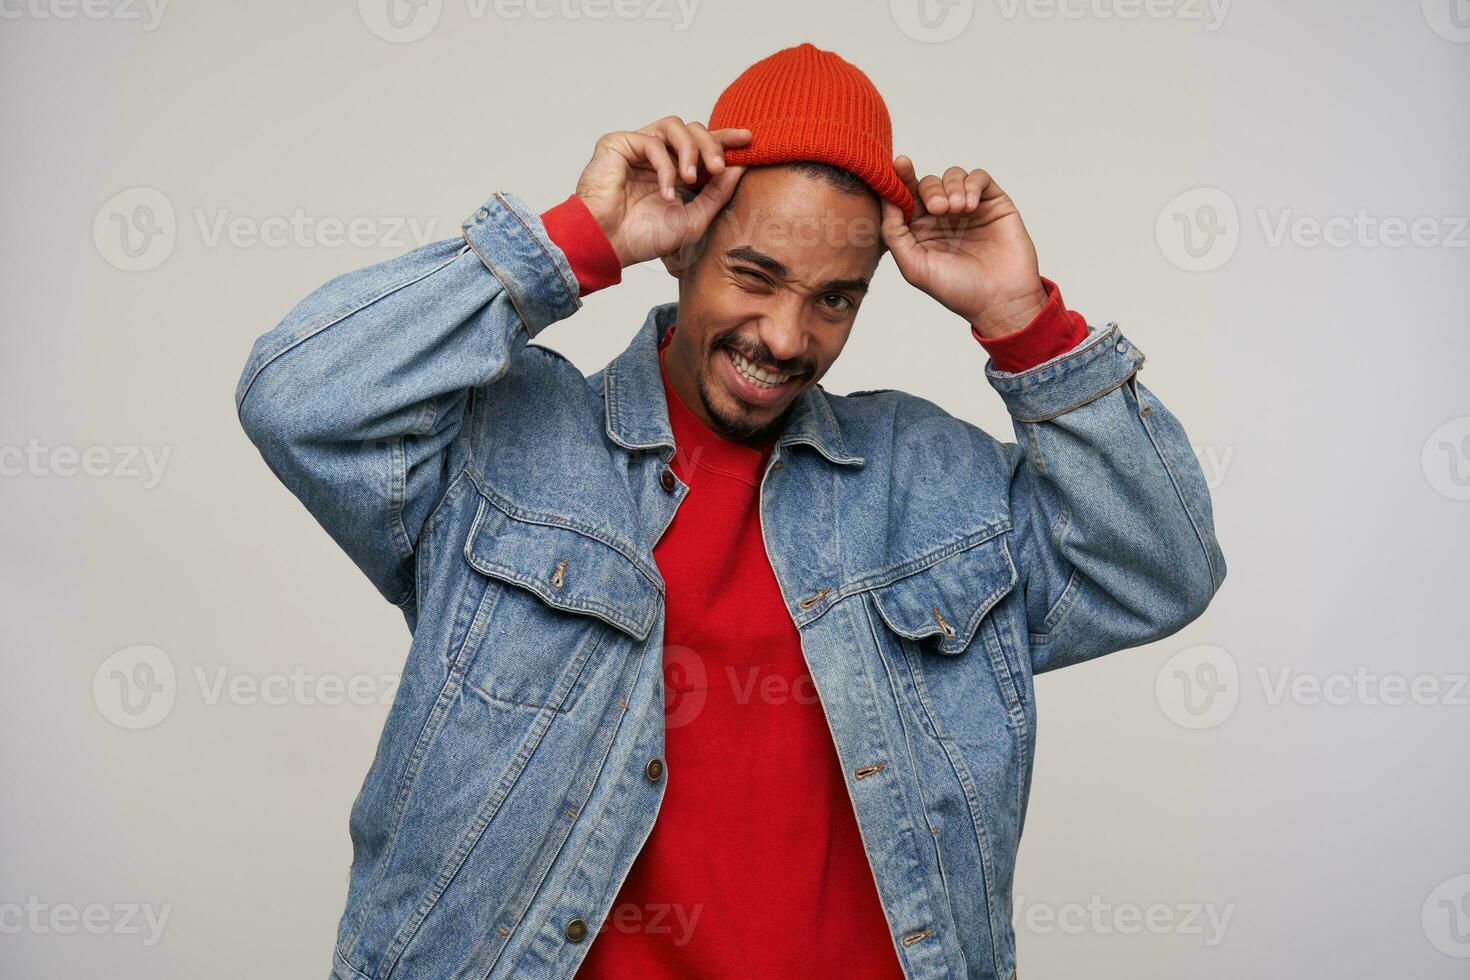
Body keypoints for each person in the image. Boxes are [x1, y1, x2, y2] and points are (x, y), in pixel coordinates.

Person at [236, 41, 1224, 980]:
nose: (787, 335)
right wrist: (571, 245)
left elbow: (1156, 570)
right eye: (755, 276)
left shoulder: (932, 484)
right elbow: (300, 399)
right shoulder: (510, 445)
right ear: (683, 242)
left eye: (834, 299)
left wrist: (1022, 322)